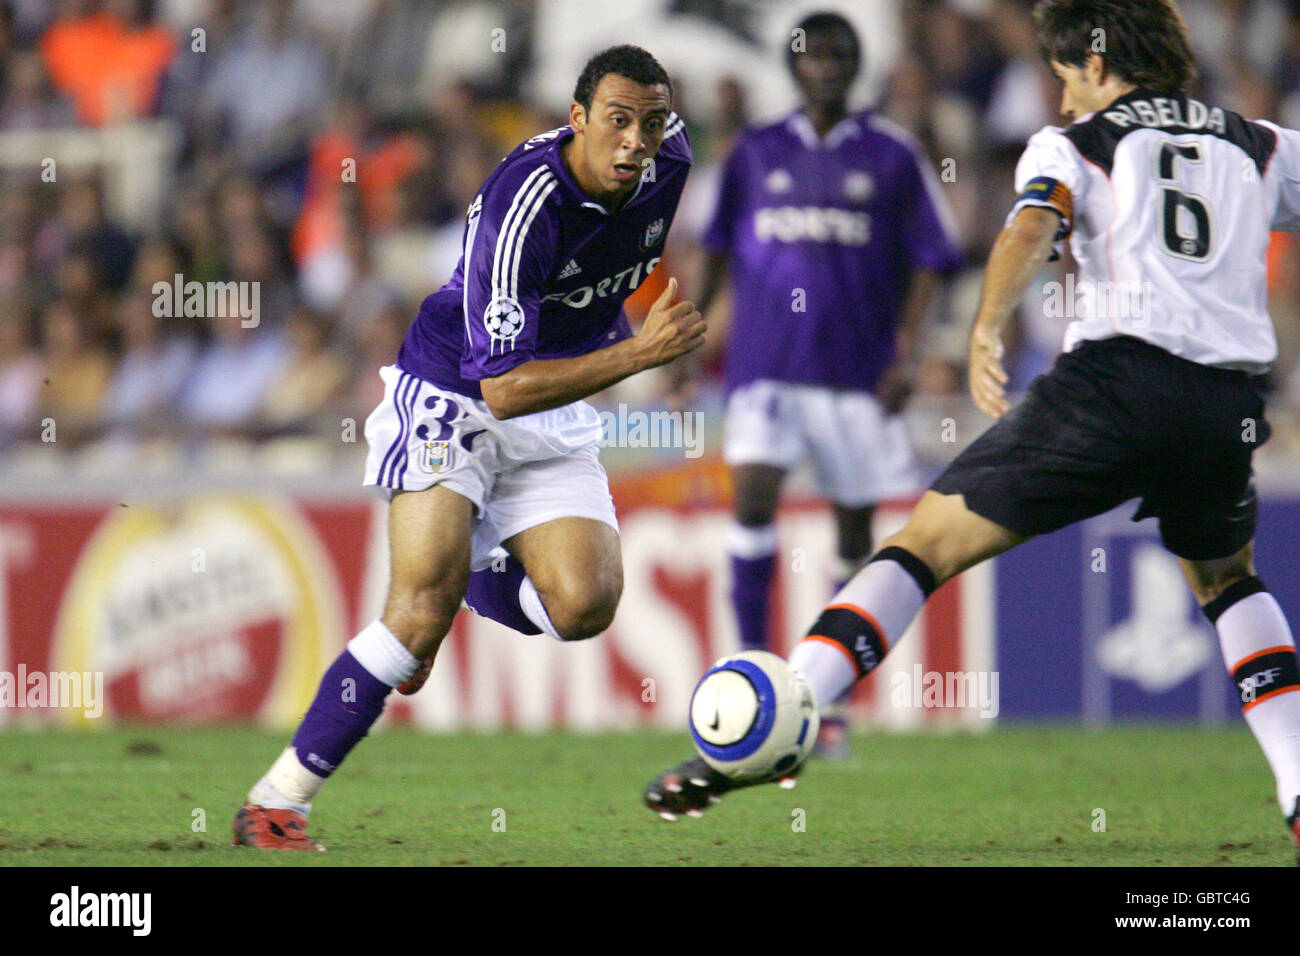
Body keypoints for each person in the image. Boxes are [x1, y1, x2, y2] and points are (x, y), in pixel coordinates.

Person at [645, 0, 1300, 864]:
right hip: (1225, 402)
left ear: (1095, 66)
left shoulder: (1078, 142)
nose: (1063, 101)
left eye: (1065, 80)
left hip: (1112, 386)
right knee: (1226, 579)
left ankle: (790, 711)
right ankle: (1296, 785)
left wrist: (987, 324)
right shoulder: (1260, 143)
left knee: (923, 545)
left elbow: (1033, 223)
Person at [234, 44, 703, 850]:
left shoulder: (669, 163)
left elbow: (623, 271)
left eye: (652, 123)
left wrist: (648, 323)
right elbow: (503, 389)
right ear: (578, 119)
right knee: (414, 615)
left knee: (586, 606)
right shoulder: (526, 205)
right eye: (619, 121)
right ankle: (277, 803)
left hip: (554, 400)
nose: (637, 141)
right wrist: (639, 355)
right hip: (458, 395)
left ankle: (470, 581)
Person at [694, 11, 961, 757]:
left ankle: (829, 702)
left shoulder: (892, 155)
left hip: (856, 373)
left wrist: (906, 356)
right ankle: (748, 673)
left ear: (857, 64)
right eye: (814, 54)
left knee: (853, 534)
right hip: (765, 364)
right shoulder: (753, 151)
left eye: (841, 53)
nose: (828, 65)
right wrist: (687, 342)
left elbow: (935, 259)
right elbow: (714, 246)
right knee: (751, 497)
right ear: (792, 63)